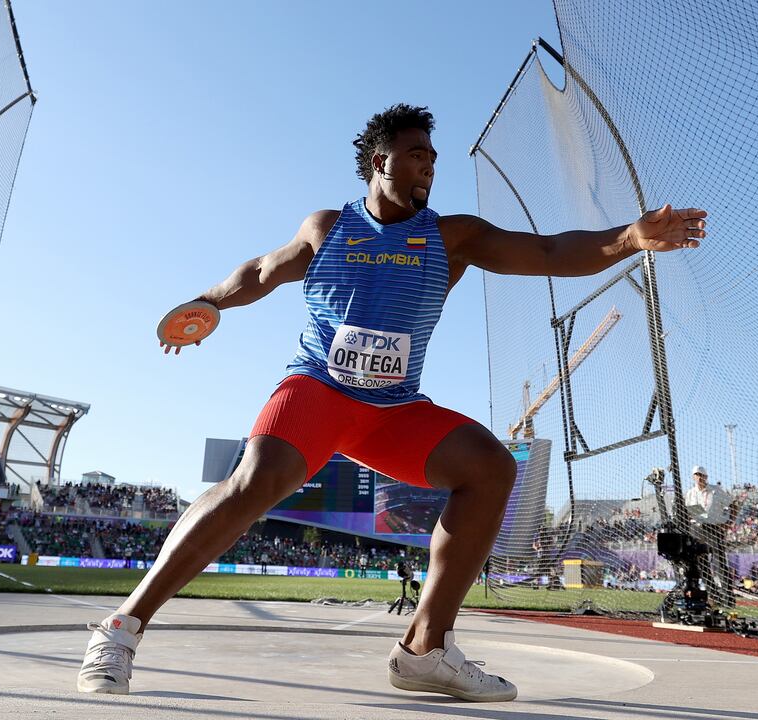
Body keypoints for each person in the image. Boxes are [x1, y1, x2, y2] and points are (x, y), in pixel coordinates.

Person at [78, 104, 706, 701]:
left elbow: (547, 253)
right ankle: (120, 629)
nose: (429, 164)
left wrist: (629, 237)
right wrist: (209, 302)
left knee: (490, 467)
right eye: (415, 154)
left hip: (393, 410)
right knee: (256, 481)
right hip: (318, 389)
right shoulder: (329, 227)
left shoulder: (453, 236)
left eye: (432, 156)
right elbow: (263, 271)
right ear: (380, 161)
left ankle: (425, 650)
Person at [683, 465, 736, 608]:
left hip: (714, 528)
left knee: (720, 563)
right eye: (697, 474)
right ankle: (714, 595)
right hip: (697, 529)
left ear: (706, 477)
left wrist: (729, 523)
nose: (699, 477)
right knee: (702, 564)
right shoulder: (690, 493)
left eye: (702, 475)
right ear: (693, 477)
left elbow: (733, 504)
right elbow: (688, 512)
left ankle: (728, 598)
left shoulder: (716, 490)